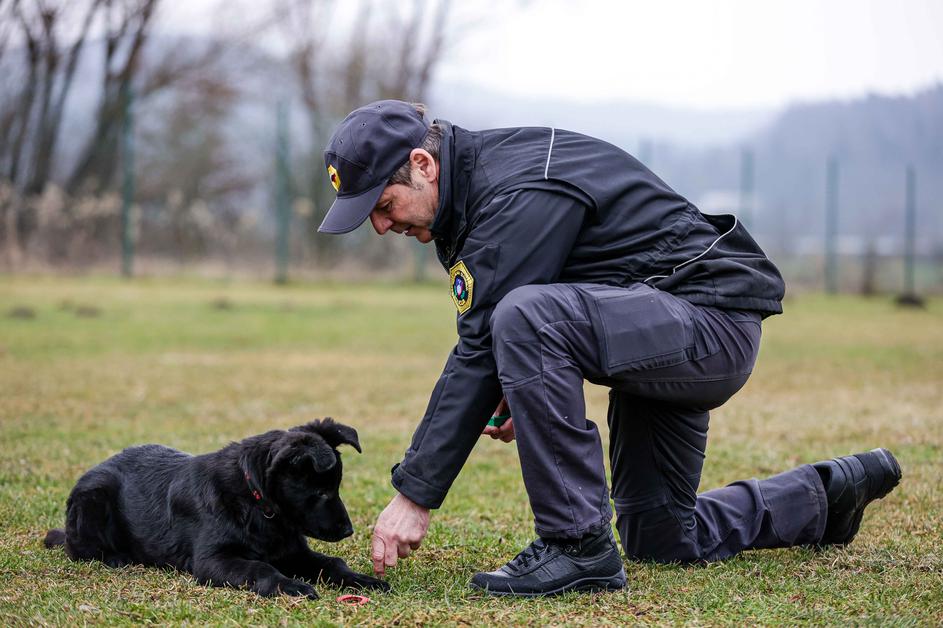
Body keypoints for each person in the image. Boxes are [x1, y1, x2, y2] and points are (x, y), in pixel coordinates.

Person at [317, 100, 902, 597]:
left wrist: (414, 495)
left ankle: (575, 543)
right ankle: (828, 494)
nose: (380, 226)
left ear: (422, 164)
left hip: (708, 325)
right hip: (659, 331)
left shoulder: (514, 186)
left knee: (525, 316)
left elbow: (488, 339)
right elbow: (508, 331)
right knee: (661, 536)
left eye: (384, 205)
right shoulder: (476, 188)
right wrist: (525, 384)